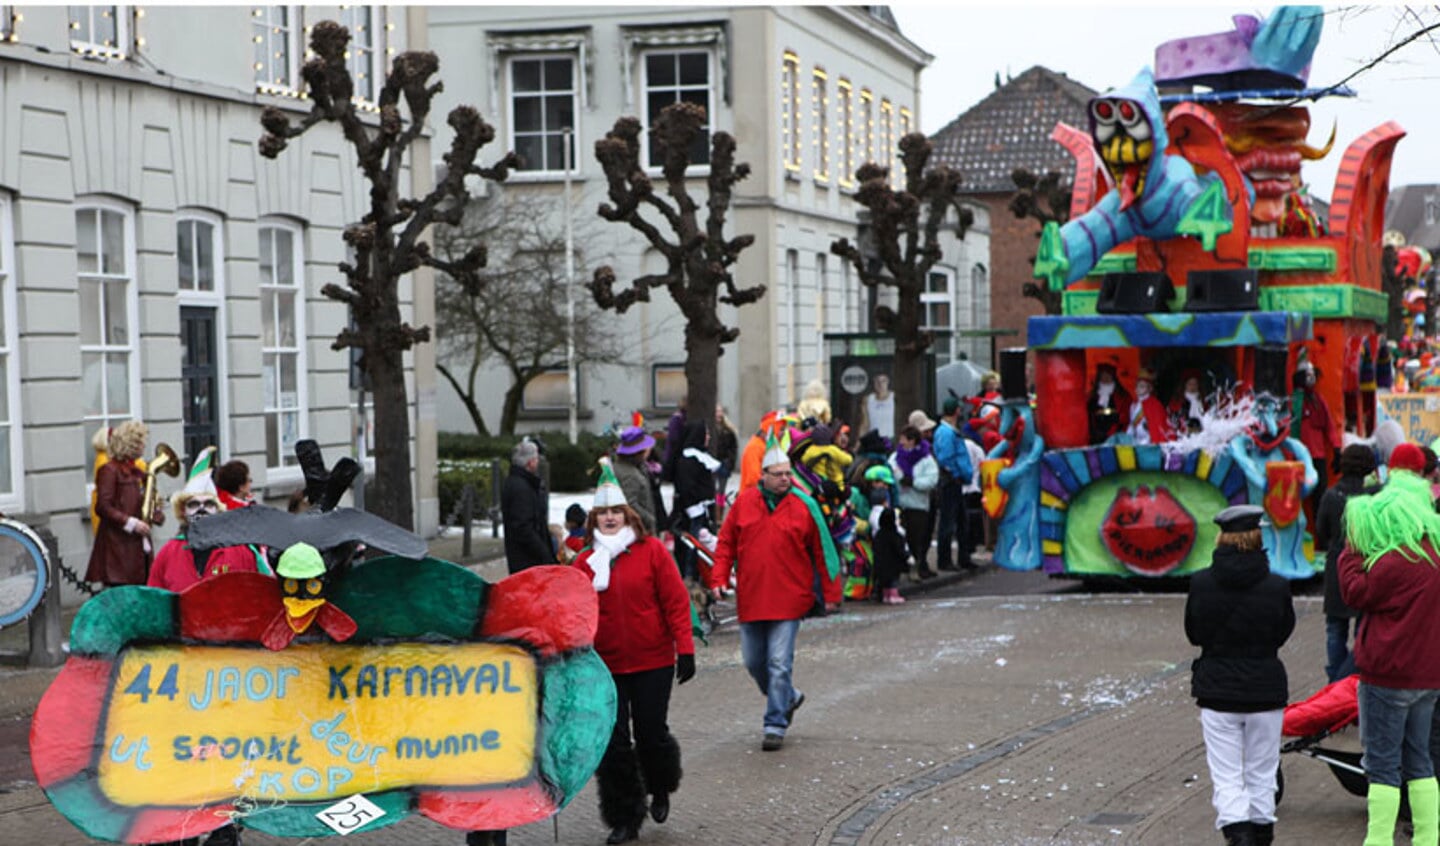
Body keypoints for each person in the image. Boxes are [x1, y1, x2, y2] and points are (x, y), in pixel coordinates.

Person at [571, 463, 695, 845]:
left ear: (628, 514)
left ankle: (659, 785)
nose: (610, 518)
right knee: (613, 742)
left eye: (615, 512)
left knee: (651, 733)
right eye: (603, 513)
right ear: (594, 518)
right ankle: (625, 817)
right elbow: (572, 612)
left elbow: (676, 602)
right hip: (605, 665)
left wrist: (685, 649)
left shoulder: (653, 552)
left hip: (652, 661)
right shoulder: (584, 563)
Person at [708, 434, 841, 751]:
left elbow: (824, 549)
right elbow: (725, 544)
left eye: (788, 473)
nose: (785, 479)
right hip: (752, 597)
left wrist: (833, 591)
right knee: (755, 662)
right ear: (763, 476)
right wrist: (718, 578)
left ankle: (775, 723)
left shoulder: (804, 505)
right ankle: (789, 697)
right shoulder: (744, 503)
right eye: (778, 474)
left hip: (790, 598)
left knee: (779, 662)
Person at [1339, 444, 1440, 846]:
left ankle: (1378, 840)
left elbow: (1353, 592)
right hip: (1429, 677)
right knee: (1421, 760)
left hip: (1387, 675)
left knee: (1381, 765)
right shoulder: (1433, 554)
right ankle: (1428, 838)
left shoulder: (1391, 561)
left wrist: (1353, 549)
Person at [1185, 505, 1295, 846]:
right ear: (1257, 537)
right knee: (1263, 773)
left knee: (1227, 775)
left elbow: (1194, 632)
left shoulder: (1201, 583)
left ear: (1222, 538)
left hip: (1218, 691)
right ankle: (1261, 837)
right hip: (1265, 690)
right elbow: (1283, 630)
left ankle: (1238, 837)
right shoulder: (1277, 585)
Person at [147, 447, 268, 593]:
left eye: (209, 504)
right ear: (183, 512)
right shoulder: (168, 553)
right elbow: (154, 604)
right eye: (193, 504)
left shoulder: (242, 551)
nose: (201, 510)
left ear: (218, 511)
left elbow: (263, 597)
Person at [1313, 443, 1375, 682]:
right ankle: (1351, 676)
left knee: (1335, 628)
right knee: (1364, 626)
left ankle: (1335, 680)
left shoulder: (1331, 495)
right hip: (1365, 564)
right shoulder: (1373, 496)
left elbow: (1322, 531)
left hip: (1336, 566)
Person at [85, 421, 163, 587]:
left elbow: (140, 504)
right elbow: (103, 506)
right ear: (131, 444)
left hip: (139, 550)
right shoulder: (109, 470)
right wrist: (131, 523)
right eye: (141, 442)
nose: (143, 447)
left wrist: (155, 512)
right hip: (119, 550)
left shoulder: (138, 472)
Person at [890, 425, 938, 580]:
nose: (901, 442)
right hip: (900, 504)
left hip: (918, 505)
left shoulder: (926, 460)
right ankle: (902, 569)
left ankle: (915, 568)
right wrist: (899, 479)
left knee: (916, 539)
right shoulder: (896, 457)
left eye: (904, 438)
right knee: (900, 538)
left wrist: (913, 482)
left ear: (912, 440)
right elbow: (890, 473)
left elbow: (931, 480)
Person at [672, 420, 718, 583]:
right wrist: (700, 501)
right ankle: (690, 576)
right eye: (705, 433)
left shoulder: (699, 457)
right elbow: (687, 487)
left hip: (703, 509)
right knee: (693, 546)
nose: (708, 437)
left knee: (706, 544)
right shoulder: (688, 459)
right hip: (694, 511)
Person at [933, 398, 976, 571]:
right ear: (957, 411)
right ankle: (945, 560)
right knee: (948, 521)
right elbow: (945, 459)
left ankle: (963, 558)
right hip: (951, 482)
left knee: (961, 521)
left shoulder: (949, 431)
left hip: (956, 481)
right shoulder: (946, 432)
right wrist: (956, 474)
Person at [501, 440, 553, 574]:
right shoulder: (522, 488)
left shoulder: (517, 483)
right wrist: (543, 552)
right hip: (528, 559)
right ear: (530, 462)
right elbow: (523, 526)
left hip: (523, 557)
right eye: (536, 459)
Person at [612, 425, 663, 534]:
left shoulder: (635, 467)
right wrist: (649, 519)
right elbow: (629, 504)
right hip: (637, 531)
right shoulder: (629, 474)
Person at [1127, 368, 1172, 445]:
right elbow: (1132, 423)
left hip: (1149, 440)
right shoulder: (1133, 404)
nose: (1138, 389)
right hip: (1136, 440)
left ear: (1150, 388)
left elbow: (1158, 426)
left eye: (1142, 386)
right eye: (1137, 386)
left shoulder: (1155, 404)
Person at [711, 405, 740, 515]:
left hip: (723, 462)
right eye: (716, 411)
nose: (719, 414)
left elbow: (733, 448)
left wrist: (730, 462)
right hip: (712, 463)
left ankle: (719, 512)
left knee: (721, 490)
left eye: (720, 411)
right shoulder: (710, 429)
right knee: (712, 489)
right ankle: (713, 511)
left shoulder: (728, 431)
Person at [1168, 370, 1208, 435]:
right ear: (1185, 385)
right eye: (1190, 384)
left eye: (1195, 384)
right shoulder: (1177, 401)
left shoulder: (1203, 400)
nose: (1192, 387)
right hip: (1183, 434)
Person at [859, 373, 895, 440]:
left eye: (883, 381)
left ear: (888, 382)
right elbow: (865, 423)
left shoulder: (894, 398)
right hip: (874, 439)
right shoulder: (868, 399)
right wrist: (859, 442)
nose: (880, 384)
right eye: (877, 381)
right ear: (874, 383)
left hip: (891, 438)